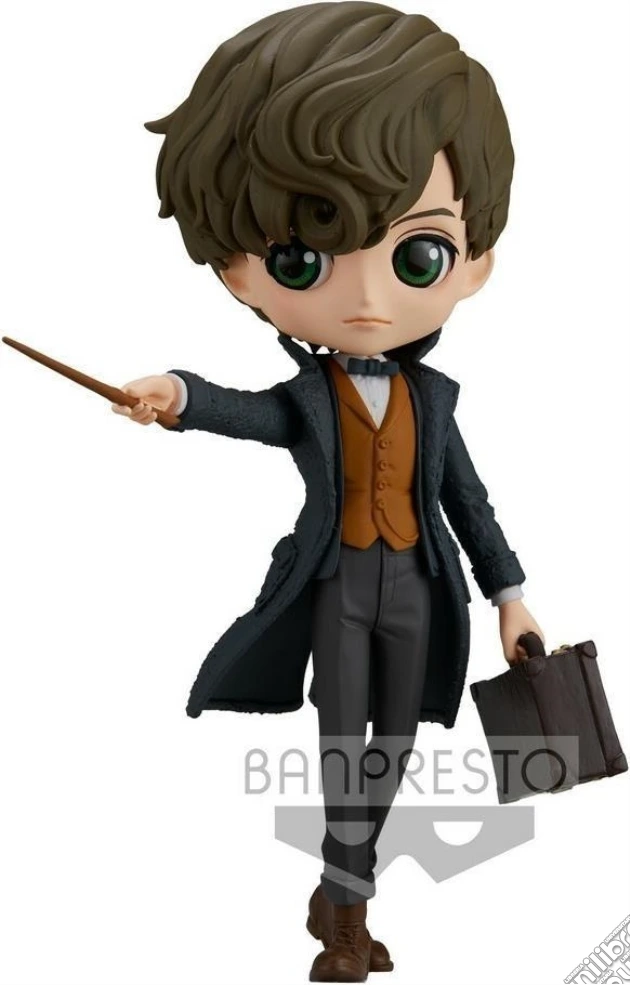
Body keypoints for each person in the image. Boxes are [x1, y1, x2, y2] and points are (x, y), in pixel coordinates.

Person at [111, 4, 544, 980]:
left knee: (395, 746)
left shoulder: (434, 399)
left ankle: (339, 883)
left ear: (471, 262)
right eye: (302, 260)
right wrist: (174, 394)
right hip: (339, 585)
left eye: (417, 255)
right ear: (242, 273)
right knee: (344, 748)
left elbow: (470, 502)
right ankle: (348, 917)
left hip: (420, 588)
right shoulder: (308, 397)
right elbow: (244, 412)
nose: (368, 299)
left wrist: (511, 595)